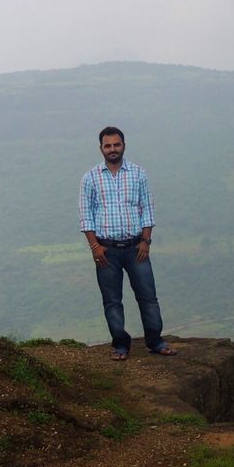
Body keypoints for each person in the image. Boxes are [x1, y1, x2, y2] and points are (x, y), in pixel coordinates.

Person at [79, 126, 176, 359]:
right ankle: (120, 345)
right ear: (101, 148)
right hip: (106, 250)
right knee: (112, 300)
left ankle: (156, 341)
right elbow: (86, 215)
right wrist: (95, 247)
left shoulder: (138, 174)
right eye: (108, 145)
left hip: (136, 248)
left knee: (148, 296)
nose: (112, 149)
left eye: (116, 144)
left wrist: (146, 241)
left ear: (124, 145)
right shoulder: (90, 178)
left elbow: (147, 209)